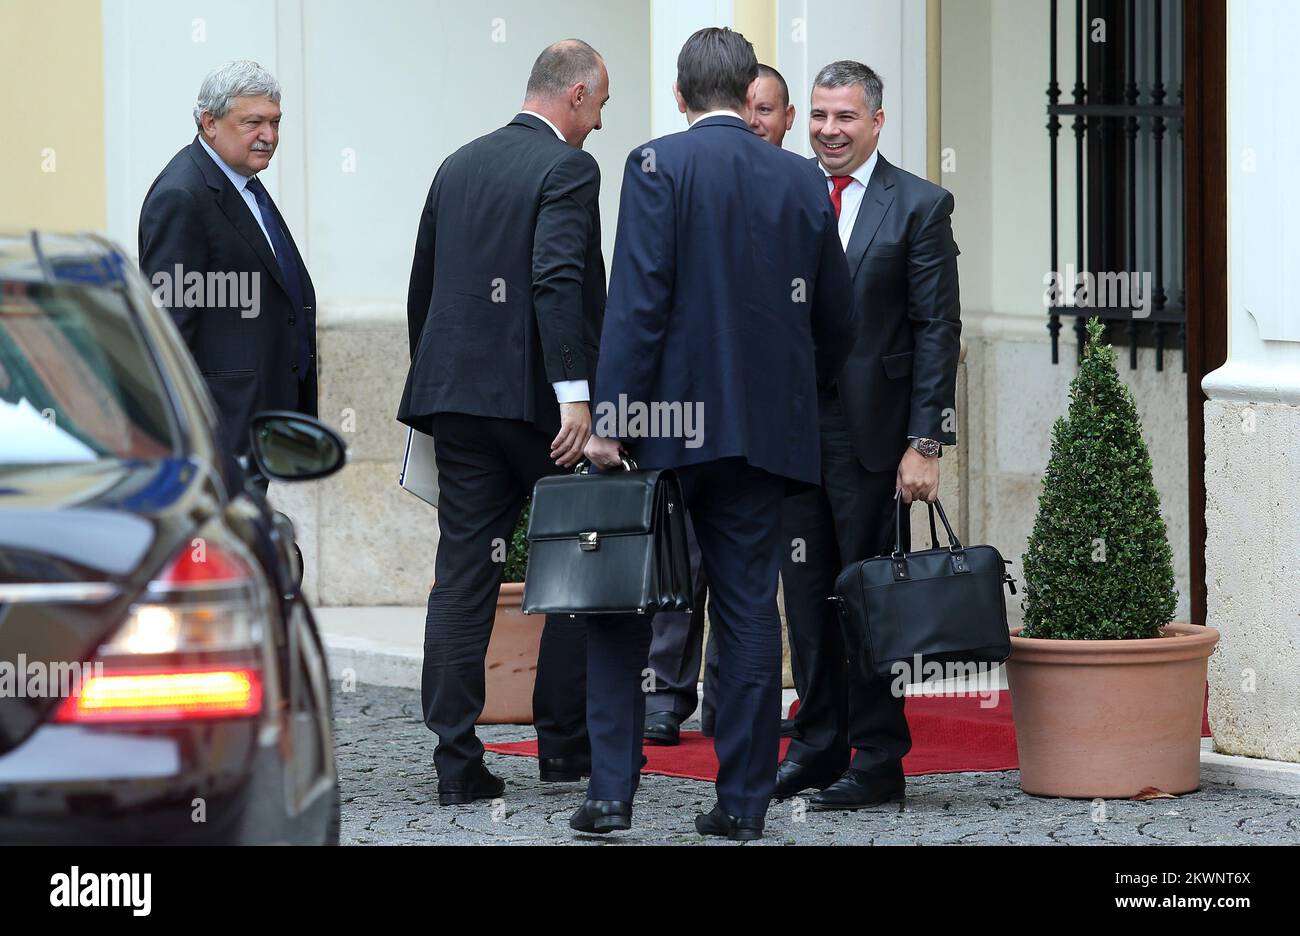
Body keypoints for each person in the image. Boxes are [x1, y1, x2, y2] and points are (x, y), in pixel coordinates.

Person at [571, 27, 855, 840]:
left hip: (660, 432)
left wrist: (611, 420)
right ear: (744, 92)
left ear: (681, 94)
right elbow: (836, 315)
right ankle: (742, 803)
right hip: (763, 432)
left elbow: (639, 300)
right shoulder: (802, 178)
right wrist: (804, 388)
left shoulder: (656, 164)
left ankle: (611, 793)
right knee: (748, 610)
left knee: (621, 607)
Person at [396, 39, 609, 806]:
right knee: (581, 562)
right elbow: (557, 280)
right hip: (538, 410)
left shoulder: (459, 161)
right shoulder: (569, 168)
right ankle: (564, 748)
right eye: (601, 107)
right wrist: (575, 397)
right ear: (576, 95)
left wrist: (441, 381)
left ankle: (456, 761)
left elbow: (423, 284)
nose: (599, 125)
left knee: (462, 576)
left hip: (458, 400)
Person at [774, 60, 962, 810]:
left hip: (875, 442)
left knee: (869, 600)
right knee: (807, 596)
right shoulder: (786, 193)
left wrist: (927, 441)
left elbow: (936, 332)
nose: (829, 131)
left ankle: (879, 758)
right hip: (790, 437)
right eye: (818, 116)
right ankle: (816, 746)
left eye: (845, 117)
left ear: (877, 122)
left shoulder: (918, 205)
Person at [643, 61, 800, 747]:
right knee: (684, 568)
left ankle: (732, 708)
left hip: (760, 419)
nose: (759, 120)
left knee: (748, 584)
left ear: (783, 118)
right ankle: (665, 698)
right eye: (752, 106)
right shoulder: (678, 173)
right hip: (686, 413)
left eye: (771, 110)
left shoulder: (792, 187)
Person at [139, 60, 316, 465]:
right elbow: (170, 327)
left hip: (256, 421)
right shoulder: (183, 195)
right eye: (252, 123)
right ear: (209, 122)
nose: (268, 137)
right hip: (219, 431)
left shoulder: (244, 184)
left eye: (275, 123)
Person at [748, 63, 795, 147]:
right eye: (745, 110)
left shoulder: (799, 161)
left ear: (788, 117)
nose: (752, 121)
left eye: (763, 109)